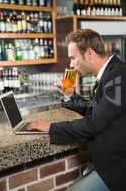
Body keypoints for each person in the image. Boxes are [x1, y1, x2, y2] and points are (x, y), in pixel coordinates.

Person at [26, 29, 126, 191]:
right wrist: (70, 96)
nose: (71, 64)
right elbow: (94, 111)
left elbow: (92, 124)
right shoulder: (111, 73)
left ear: (89, 54)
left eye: (73, 58)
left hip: (116, 170)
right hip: (103, 164)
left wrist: (50, 128)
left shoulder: (119, 76)